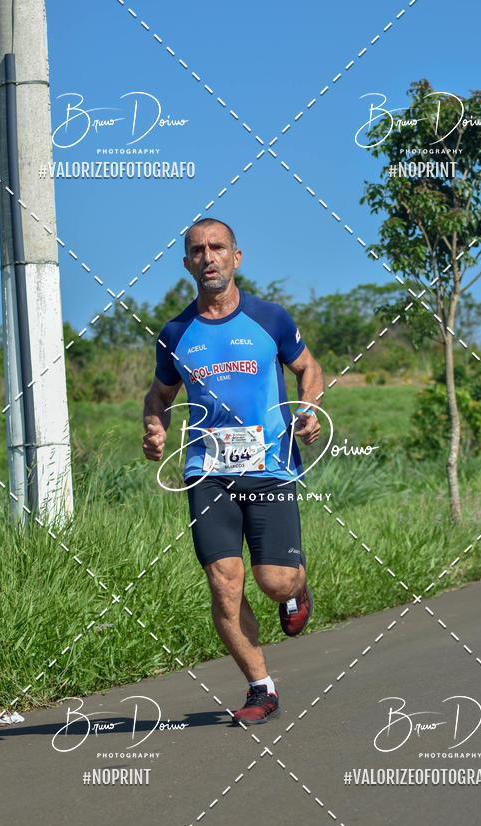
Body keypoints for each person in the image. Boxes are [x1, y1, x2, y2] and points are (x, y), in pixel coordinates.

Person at [142, 218, 323, 725]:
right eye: (197, 250)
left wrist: (308, 408)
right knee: (225, 582)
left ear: (236, 257)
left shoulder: (270, 318)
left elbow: (309, 368)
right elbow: (159, 395)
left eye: (217, 247)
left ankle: (296, 589)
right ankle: (260, 688)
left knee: (274, 581)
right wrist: (156, 427)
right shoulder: (176, 333)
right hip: (208, 471)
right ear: (187, 264)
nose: (208, 257)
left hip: (270, 466)